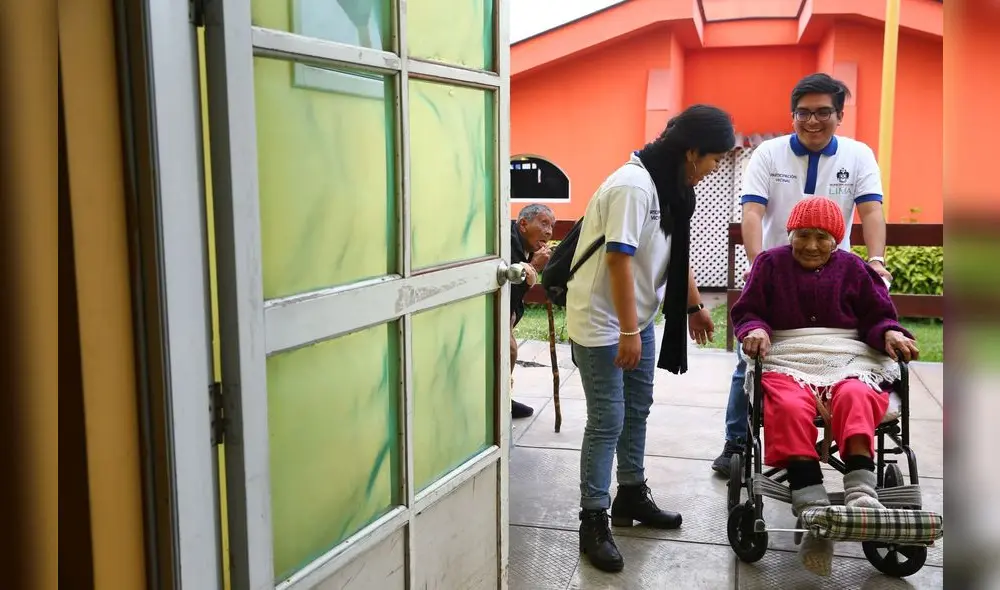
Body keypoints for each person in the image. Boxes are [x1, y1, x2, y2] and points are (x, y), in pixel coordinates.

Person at [566, 104, 735, 573]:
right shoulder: (633, 185)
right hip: (603, 322)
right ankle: (593, 519)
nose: (714, 168)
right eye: (713, 159)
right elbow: (619, 260)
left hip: (635, 318)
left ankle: (631, 494)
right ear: (691, 151)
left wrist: (695, 306)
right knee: (607, 420)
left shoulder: (672, 186)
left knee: (638, 409)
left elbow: (672, 254)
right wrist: (626, 331)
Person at [712, 73, 894, 477]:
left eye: (823, 112)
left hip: (835, 271)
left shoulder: (858, 155)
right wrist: (760, 263)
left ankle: (849, 437)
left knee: (848, 351)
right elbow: (754, 212)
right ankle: (735, 440)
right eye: (803, 113)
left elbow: (871, 211)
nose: (813, 121)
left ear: (839, 115)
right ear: (792, 115)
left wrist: (876, 260)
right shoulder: (769, 154)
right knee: (754, 354)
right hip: (778, 270)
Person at [731, 196, 919, 576]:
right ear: (791, 233)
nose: (811, 245)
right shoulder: (770, 264)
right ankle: (811, 504)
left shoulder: (854, 268)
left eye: (822, 237)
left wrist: (891, 334)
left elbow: (879, 317)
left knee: (856, 393)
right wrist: (755, 330)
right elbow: (748, 312)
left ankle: (862, 495)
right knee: (787, 403)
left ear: (837, 239)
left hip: (847, 353)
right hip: (788, 353)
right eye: (803, 235)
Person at [510, 203, 555, 419]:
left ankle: (502, 399)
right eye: (544, 223)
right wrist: (534, 267)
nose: (549, 231)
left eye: (552, 226)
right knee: (509, 349)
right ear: (524, 224)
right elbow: (506, 291)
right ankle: (501, 402)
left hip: (509, 312)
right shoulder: (507, 244)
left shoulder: (527, 248)